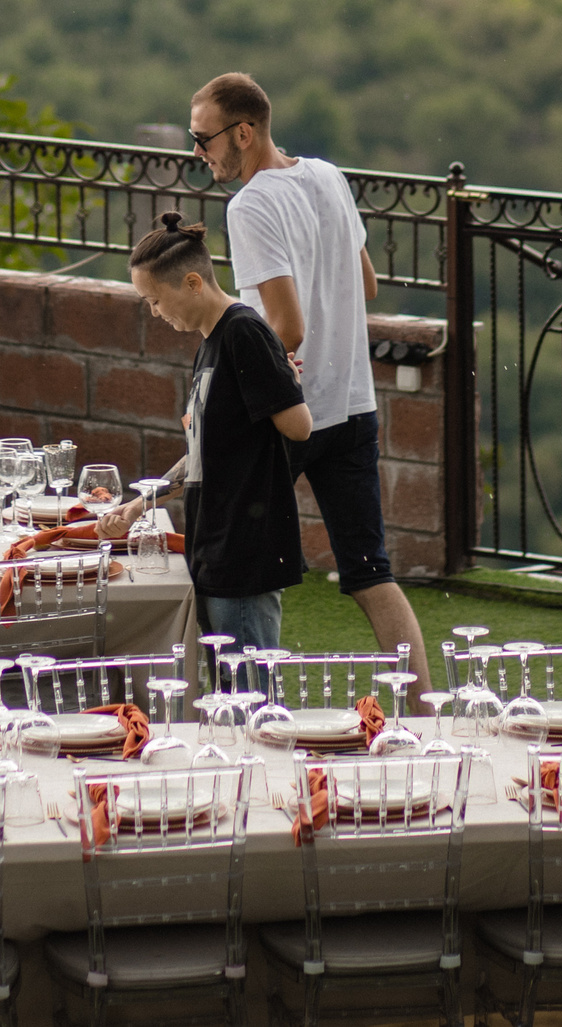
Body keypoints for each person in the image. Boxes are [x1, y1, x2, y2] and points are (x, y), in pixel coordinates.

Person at [106, 72, 433, 699]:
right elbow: (365, 284)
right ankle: (423, 709)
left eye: (204, 139)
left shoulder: (250, 205)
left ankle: (244, 701)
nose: (197, 152)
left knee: (233, 554)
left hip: (289, 409)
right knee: (371, 573)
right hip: (352, 404)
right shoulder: (328, 176)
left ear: (243, 133)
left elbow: (286, 328)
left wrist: (234, 385)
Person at [129, 212, 311, 649]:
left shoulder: (243, 332)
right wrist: (138, 506)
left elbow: (299, 426)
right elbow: (204, 451)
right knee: (227, 684)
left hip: (244, 549)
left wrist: (285, 382)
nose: (155, 312)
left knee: (247, 683)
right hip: (214, 544)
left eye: (155, 300)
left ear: (193, 282)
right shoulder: (210, 343)